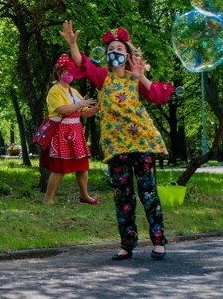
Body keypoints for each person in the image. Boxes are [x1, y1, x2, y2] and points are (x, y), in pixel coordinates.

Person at [61, 20, 173, 261]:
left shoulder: (136, 78)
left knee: (149, 193)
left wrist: (141, 76)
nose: (114, 52)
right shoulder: (102, 78)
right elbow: (82, 63)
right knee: (122, 197)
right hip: (115, 146)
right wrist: (73, 44)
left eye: (120, 49)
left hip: (141, 143)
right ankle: (127, 244)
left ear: (129, 54)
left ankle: (158, 240)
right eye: (111, 49)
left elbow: (157, 95)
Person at [41, 54, 99, 205]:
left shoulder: (74, 92)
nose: (69, 74)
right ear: (59, 73)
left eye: (71, 71)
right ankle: (48, 198)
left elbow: (85, 112)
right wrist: (80, 105)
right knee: (59, 167)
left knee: (82, 166)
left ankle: (84, 195)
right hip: (62, 131)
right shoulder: (55, 91)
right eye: (66, 71)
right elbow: (62, 110)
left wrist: (98, 107)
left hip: (76, 131)